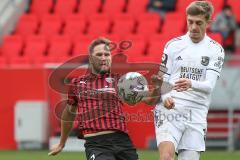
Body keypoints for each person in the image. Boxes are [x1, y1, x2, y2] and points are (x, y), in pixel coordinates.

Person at [48, 37, 163, 160]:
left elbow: (150, 100)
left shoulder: (120, 81)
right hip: (96, 144)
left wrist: (157, 87)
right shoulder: (77, 84)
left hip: (122, 142)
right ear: (91, 59)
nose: (103, 58)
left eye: (106, 54)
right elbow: (68, 115)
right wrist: (62, 143)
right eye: (99, 54)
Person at [154, 1, 225, 160]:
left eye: (199, 23)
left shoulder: (216, 50)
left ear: (208, 22)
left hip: (197, 112)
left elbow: (209, 86)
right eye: (190, 22)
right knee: (166, 157)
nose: (193, 27)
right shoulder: (173, 45)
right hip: (171, 109)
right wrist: (165, 98)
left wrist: (191, 83)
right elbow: (163, 78)